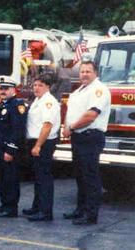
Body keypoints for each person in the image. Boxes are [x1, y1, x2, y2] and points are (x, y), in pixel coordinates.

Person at [62, 61, 111, 225]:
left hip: (90, 136)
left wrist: (71, 127)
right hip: (78, 137)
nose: (84, 74)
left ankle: (91, 215)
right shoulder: (79, 90)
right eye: (82, 71)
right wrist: (68, 127)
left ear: (96, 73)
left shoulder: (99, 90)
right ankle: (80, 210)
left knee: (90, 177)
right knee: (80, 176)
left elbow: (91, 115)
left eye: (88, 71)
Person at [23, 74, 60, 221]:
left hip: (43, 143)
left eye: (40, 85)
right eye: (35, 85)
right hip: (35, 142)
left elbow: (47, 125)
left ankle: (45, 212)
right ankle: (37, 207)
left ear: (48, 87)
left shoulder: (48, 102)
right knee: (38, 177)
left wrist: (38, 145)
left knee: (44, 178)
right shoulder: (38, 100)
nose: (36, 88)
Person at [0, 76, 27, 218]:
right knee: (3, 178)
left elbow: (18, 130)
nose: (2, 91)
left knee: (11, 179)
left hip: (9, 150)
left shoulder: (17, 105)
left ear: (14, 90)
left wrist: (10, 149)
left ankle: (11, 208)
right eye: (1, 88)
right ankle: (4, 204)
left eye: (6, 88)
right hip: (0, 149)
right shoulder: (3, 105)